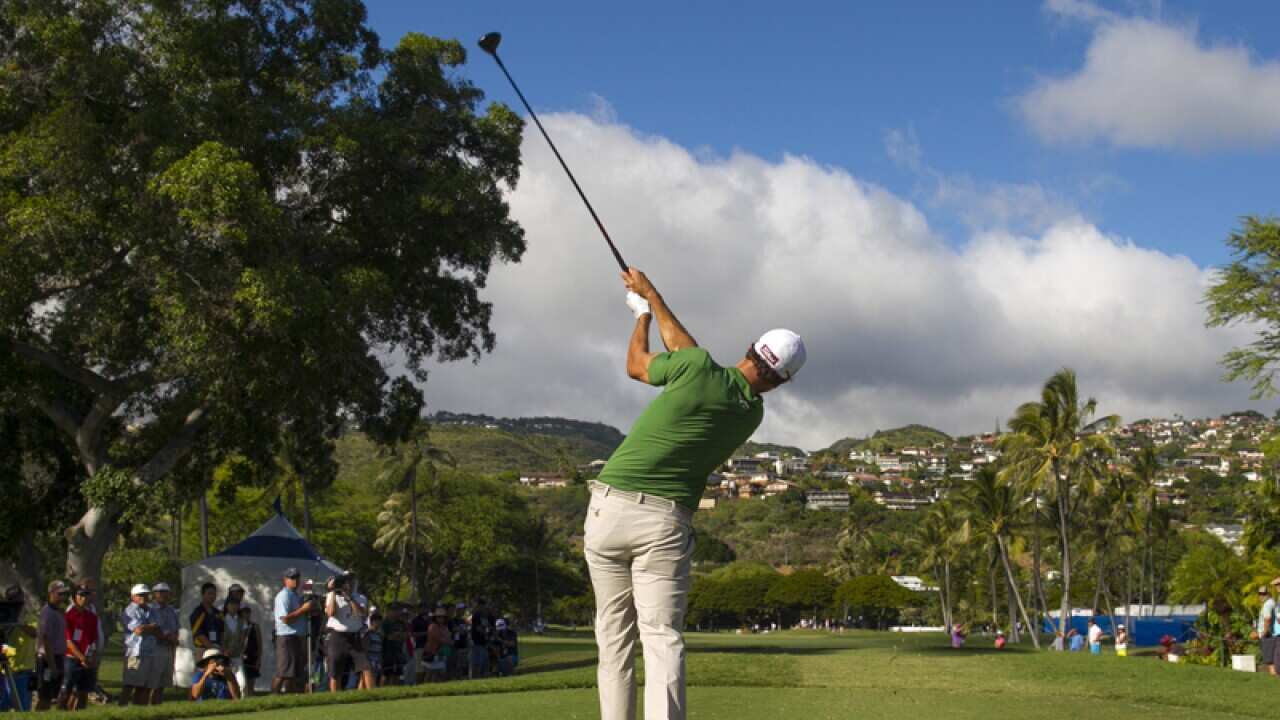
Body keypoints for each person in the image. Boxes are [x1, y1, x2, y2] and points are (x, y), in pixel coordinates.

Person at [588, 267, 806, 720]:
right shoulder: (750, 414)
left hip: (608, 508)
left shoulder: (697, 366)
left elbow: (639, 364)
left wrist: (641, 315)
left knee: (613, 639)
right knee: (662, 638)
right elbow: (686, 347)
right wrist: (651, 296)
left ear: (749, 347)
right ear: (781, 381)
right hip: (663, 524)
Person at [324, 573, 372, 692]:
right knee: (336, 670)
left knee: (366, 666)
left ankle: (373, 694)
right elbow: (330, 613)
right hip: (337, 636)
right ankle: (335, 698)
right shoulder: (332, 595)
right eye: (345, 581)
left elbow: (361, 613)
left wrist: (350, 598)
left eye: (351, 581)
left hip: (355, 636)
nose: (348, 584)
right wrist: (334, 592)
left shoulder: (360, 597)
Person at [272, 568, 314, 694]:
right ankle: (273, 697)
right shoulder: (283, 596)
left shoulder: (295, 595)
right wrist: (303, 609)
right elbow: (285, 619)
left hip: (296, 637)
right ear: (285, 580)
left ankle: (289, 698)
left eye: (297, 577)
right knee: (283, 672)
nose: (295, 580)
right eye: (292, 578)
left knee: (292, 673)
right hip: (286, 637)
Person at [119, 584, 159, 707]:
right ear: (133, 596)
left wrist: (147, 627)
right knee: (129, 683)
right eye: (140, 595)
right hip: (133, 653)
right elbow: (138, 630)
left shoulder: (150, 609)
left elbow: (157, 628)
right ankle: (121, 710)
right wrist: (151, 627)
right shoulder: (129, 611)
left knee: (144, 685)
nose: (144, 597)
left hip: (148, 652)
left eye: (145, 594)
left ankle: (138, 710)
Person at [61, 585, 100, 711]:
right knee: (68, 690)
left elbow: (93, 639)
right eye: (81, 595)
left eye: (86, 595)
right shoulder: (68, 616)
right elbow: (69, 642)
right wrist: (82, 658)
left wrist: (91, 657)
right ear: (74, 597)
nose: (84, 598)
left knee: (83, 691)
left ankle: (80, 714)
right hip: (72, 658)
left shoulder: (92, 617)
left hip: (88, 658)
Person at [0, 585, 37, 712]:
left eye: (18, 600)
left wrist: (18, 622)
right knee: (3, 707)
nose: (16, 604)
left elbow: (34, 633)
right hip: (5, 671)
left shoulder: (29, 617)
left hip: (23, 671)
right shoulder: (3, 615)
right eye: (12, 601)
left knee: (23, 709)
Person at [34, 580, 70, 711]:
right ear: (51, 593)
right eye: (59, 594)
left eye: (64, 594)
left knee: (53, 695)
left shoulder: (59, 612)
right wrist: (52, 664)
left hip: (58, 656)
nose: (62, 597)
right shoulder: (47, 613)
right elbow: (45, 640)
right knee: (45, 695)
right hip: (47, 659)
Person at [149, 582, 180, 704]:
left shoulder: (172, 610)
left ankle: (157, 707)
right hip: (155, 648)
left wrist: (175, 638)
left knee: (163, 682)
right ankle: (148, 708)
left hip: (169, 649)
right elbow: (154, 629)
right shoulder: (151, 609)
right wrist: (168, 637)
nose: (163, 595)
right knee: (153, 682)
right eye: (160, 592)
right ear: (154, 594)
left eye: (165, 592)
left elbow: (176, 628)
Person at [220, 596, 247, 690]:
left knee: (242, 683)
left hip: (237, 656)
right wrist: (224, 651)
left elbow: (243, 639)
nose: (234, 607)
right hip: (222, 656)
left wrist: (241, 650)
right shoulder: (221, 620)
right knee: (225, 683)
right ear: (227, 606)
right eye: (231, 604)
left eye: (236, 604)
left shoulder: (242, 621)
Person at [189, 583, 223, 651]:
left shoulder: (218, 613)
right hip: (202, 649)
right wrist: (211, 647)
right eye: (209, 593)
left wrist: (222, 647)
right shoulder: (198, 612)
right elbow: (198, 633)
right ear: (203, 594)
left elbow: (223, 631)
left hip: (218, 648)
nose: (212, 596)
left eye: (214, 593)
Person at [380, 604, 407, 686]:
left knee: (398, 674)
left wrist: (397, 636)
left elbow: (405, 636)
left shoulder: (401, 623)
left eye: (397, 610)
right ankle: (382, 691)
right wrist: (397, 636)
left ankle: (394, 691)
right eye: (394, 610)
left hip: (398, 651)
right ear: (389, 611)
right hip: (387, 652)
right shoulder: (385, 623)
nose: (396, 612)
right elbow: (387, 637)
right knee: (386, 674)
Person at [423, 606, 450, 682]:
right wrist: (447, 640)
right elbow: (439, 639)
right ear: (435, 618)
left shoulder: (444, 627)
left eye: (442, 617)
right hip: (431, 652)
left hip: (441, 653)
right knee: (429, 673)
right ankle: (425, 689)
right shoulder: (432, 626)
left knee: (438, 673)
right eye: (439, 617)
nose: (441, 618)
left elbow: (448, 638)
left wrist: (447, 640)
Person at [239, 606, 262, 697]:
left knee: (251, 681)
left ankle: (250, 697)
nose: (246, 615)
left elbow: (259, 643)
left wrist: (259, 658)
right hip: (241, 657)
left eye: (248, 613)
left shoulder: (254, 626)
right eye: (244, 613)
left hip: (252, 657)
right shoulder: (239, 626)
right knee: (242, 682)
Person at [408, 601, 431, 684]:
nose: (425, 609)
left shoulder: (431, 619)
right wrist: (425, 633)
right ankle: (419, 687)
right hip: (420, 647)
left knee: (429, 670)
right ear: (419, 609)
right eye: (423, 608)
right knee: (419, 670)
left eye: (426, 608)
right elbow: (412, 634)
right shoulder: (415, 620)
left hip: (430, 647)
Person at [365, 612, 385, 686]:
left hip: (377, 659)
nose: (379, 623)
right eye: (377, 621)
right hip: (370, 660)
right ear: (372, 622)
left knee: (379, 678)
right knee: (367, 680)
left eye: (380, 621)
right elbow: (365, 648)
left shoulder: (379, 634)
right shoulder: (368, 633)